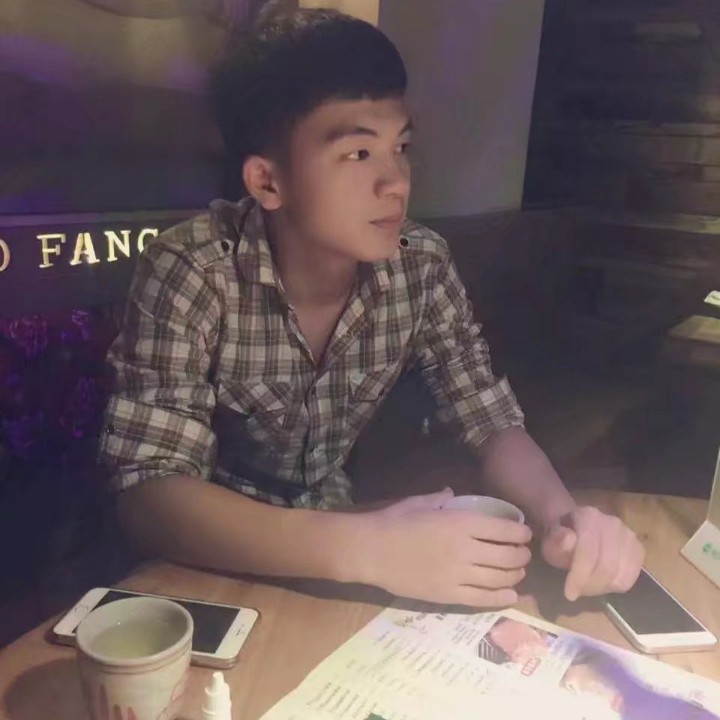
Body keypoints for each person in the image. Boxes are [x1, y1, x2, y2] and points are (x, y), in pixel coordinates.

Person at [98, 8, 644, 607]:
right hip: (205, 566)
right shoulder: (194, 269)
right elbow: (150, 495)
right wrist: (366, 548)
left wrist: (565, 522)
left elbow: (488, 418)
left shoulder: (419, 263)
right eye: (359, 153)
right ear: (267, 182)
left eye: (400, 147)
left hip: (341, 554)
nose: (396, 182)